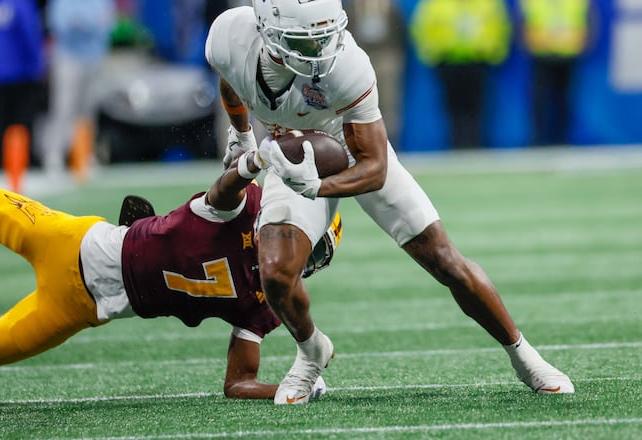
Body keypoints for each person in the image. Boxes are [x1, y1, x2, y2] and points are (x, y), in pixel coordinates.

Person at [0, 77, 339, 407]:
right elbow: (222, 192)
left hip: (83, 307)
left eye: (314, 252)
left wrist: (286, 388)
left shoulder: (269, 303)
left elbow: (236, 383)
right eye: (307, 239)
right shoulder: (243, 209)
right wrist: (253, 164)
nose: (302, 254)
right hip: (73, 243)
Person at [205, 0, 573, 404]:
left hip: (348, 149)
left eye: (325, 38)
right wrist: (241, 135)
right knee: (273, 273)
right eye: (306, 43)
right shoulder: (230, 37)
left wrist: (317, 188)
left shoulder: (347, 62)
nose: (322, 51)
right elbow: (231, 76)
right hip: (288, 153)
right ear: (268, 33)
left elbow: (374, 168)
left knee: (445, 260)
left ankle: (525, 357)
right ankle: (311, 354)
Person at [409, 0, 512, 148]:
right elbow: (420, 28)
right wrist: (432, 54)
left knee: (477, 107)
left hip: (478, 61)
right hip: (447, 62)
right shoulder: (435, 4)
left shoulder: (488, 4)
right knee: (452, 108)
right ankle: (456, 145)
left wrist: (494, 53)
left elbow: (501, 26)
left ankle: (475, 145)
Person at [42, 0, 117, 177]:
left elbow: (107, 24)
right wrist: (87, 25)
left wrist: (82, 24)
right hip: (68, 58)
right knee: (63, 107)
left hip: (94, 57)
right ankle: (54, 156)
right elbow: (59, 24)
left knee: (89, 109)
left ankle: (85, 155)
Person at [0, 0, 47, 190]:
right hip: (21, 72)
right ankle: (18, 170)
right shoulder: (21, 4)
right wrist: (37, 65)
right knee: (21, 121)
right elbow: (30, 35)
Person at [518, 0, 593, 146]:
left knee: (565, 100)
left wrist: (585, 43)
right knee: (539, 101)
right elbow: (523, 20)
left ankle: (563, 140)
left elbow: (589, 19)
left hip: (568, 53)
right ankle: (537, 140)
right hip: (541, 53)